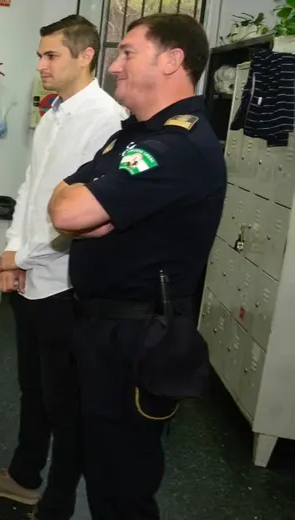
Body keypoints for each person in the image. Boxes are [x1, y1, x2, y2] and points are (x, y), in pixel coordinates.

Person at [47, 13, 223, 519]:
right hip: (97, 326)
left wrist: (85, 214)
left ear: (172, 61)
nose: (114, 65)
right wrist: (86, 215)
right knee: (93, 458)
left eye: (127, 53)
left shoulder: (178, 146)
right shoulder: (131, 137)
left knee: (122, 484)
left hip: (136, 339)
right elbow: (63, 201)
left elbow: (69, 213)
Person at [0, 15, 126, 519]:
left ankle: (57, 503)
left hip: (64, 283)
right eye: (40, 55)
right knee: (32, 388)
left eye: (51, 55)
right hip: (31, 275)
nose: (40, 65)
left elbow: (85, 214)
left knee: (65, 402)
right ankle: (23, 476)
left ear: (86, 55)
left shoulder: (106, 119)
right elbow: (32, 188)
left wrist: (24, 257)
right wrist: (13, 250)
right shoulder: (54, 113)